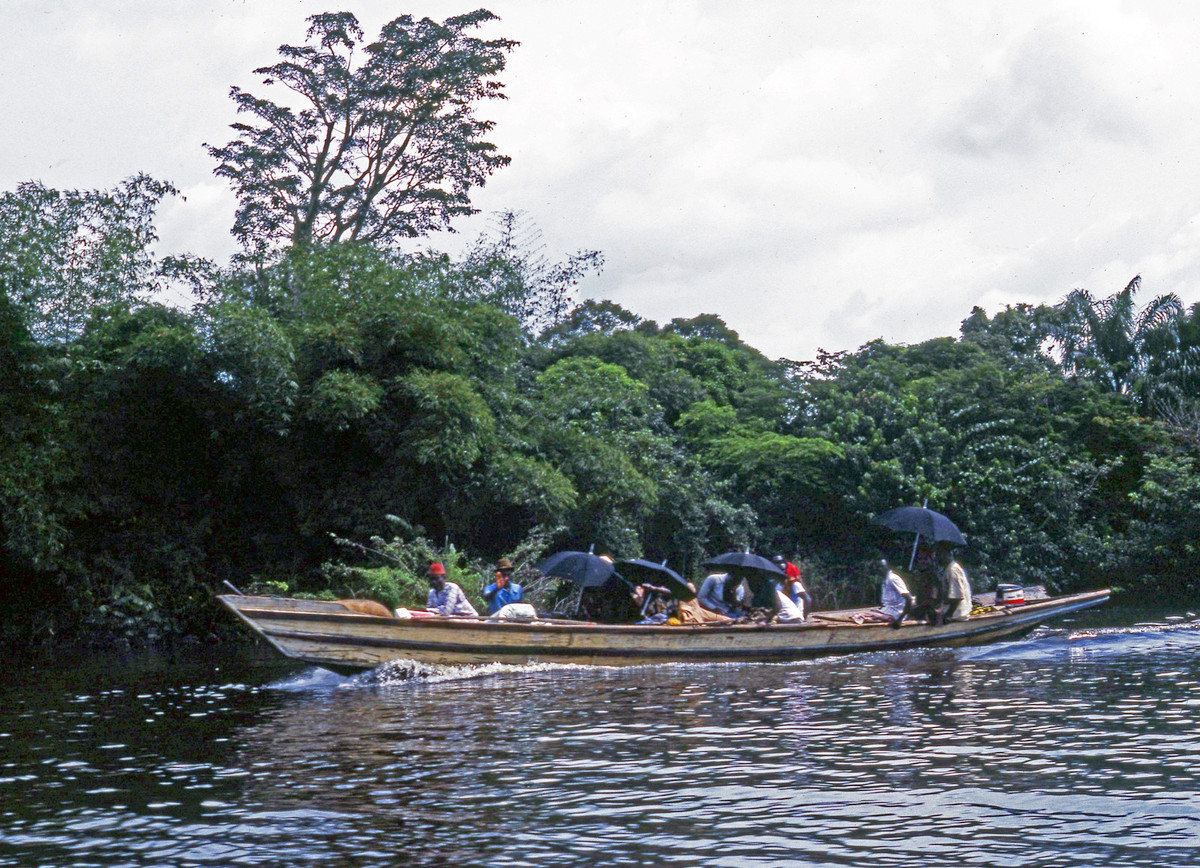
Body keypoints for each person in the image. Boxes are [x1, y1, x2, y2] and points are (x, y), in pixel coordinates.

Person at [772, 554, 812, 620]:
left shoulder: (795, 584)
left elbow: (808, 599)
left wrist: (804, 618)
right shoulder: (777, 585)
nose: (781, 565)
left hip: (795, 617)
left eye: (782, 562)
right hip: (784, 614)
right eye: (777, 563)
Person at [938, 546, 973, 622]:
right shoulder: (948, 569)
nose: (938, 558)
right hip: (953, 612)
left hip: (956, 615)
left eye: (940, 555)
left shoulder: (952, 569)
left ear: (948, 555)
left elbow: (957, 596)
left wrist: (948, 615)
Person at [879, 559, 915, 627]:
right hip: (888, 611)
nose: (880, 569)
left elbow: (909, 599)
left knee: (863, 617)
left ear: (888, 566)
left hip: (897, 614)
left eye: (882, 566)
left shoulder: (893, 578)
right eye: (878, 567)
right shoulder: (885, 579)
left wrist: (899, 620)